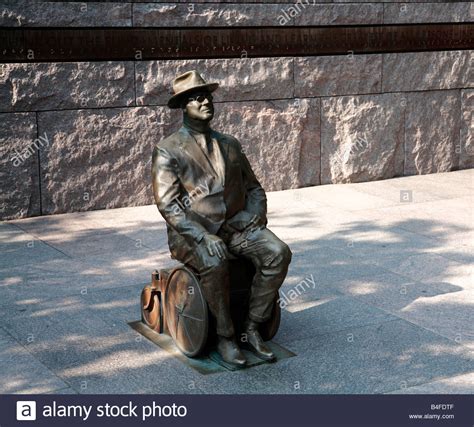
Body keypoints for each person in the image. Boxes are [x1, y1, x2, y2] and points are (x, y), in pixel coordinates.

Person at [152, 70, 292, 367]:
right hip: (193, 234)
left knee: (278, 253)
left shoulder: (230, 144)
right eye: (196, 98)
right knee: (215, 261)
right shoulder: (168, 150)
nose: (205, 101)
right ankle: (226, 337)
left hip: (237, 227)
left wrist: (255, 217)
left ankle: (252, 327)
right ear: (183, 107)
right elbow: (169, 205)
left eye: (207, 96)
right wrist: (203, 235)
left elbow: (254, 187)